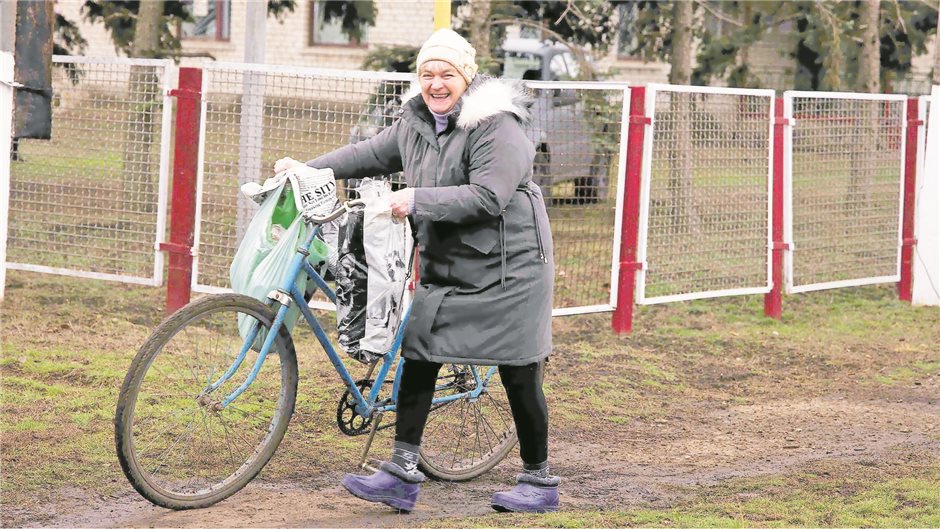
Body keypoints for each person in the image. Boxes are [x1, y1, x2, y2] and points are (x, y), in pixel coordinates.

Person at [275, 28, 558, 514]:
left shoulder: (497, 126)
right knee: (420, 349)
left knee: (518, 367)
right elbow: (368, 155)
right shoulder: (416, 123)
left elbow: (489, 195)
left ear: (466, 77)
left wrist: (415, 198)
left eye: (447, 73)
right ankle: (401, 473)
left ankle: (540, 481)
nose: (436, 83)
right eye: (427, 74)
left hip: (512, 266)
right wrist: (305, 171)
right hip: (451, 262)